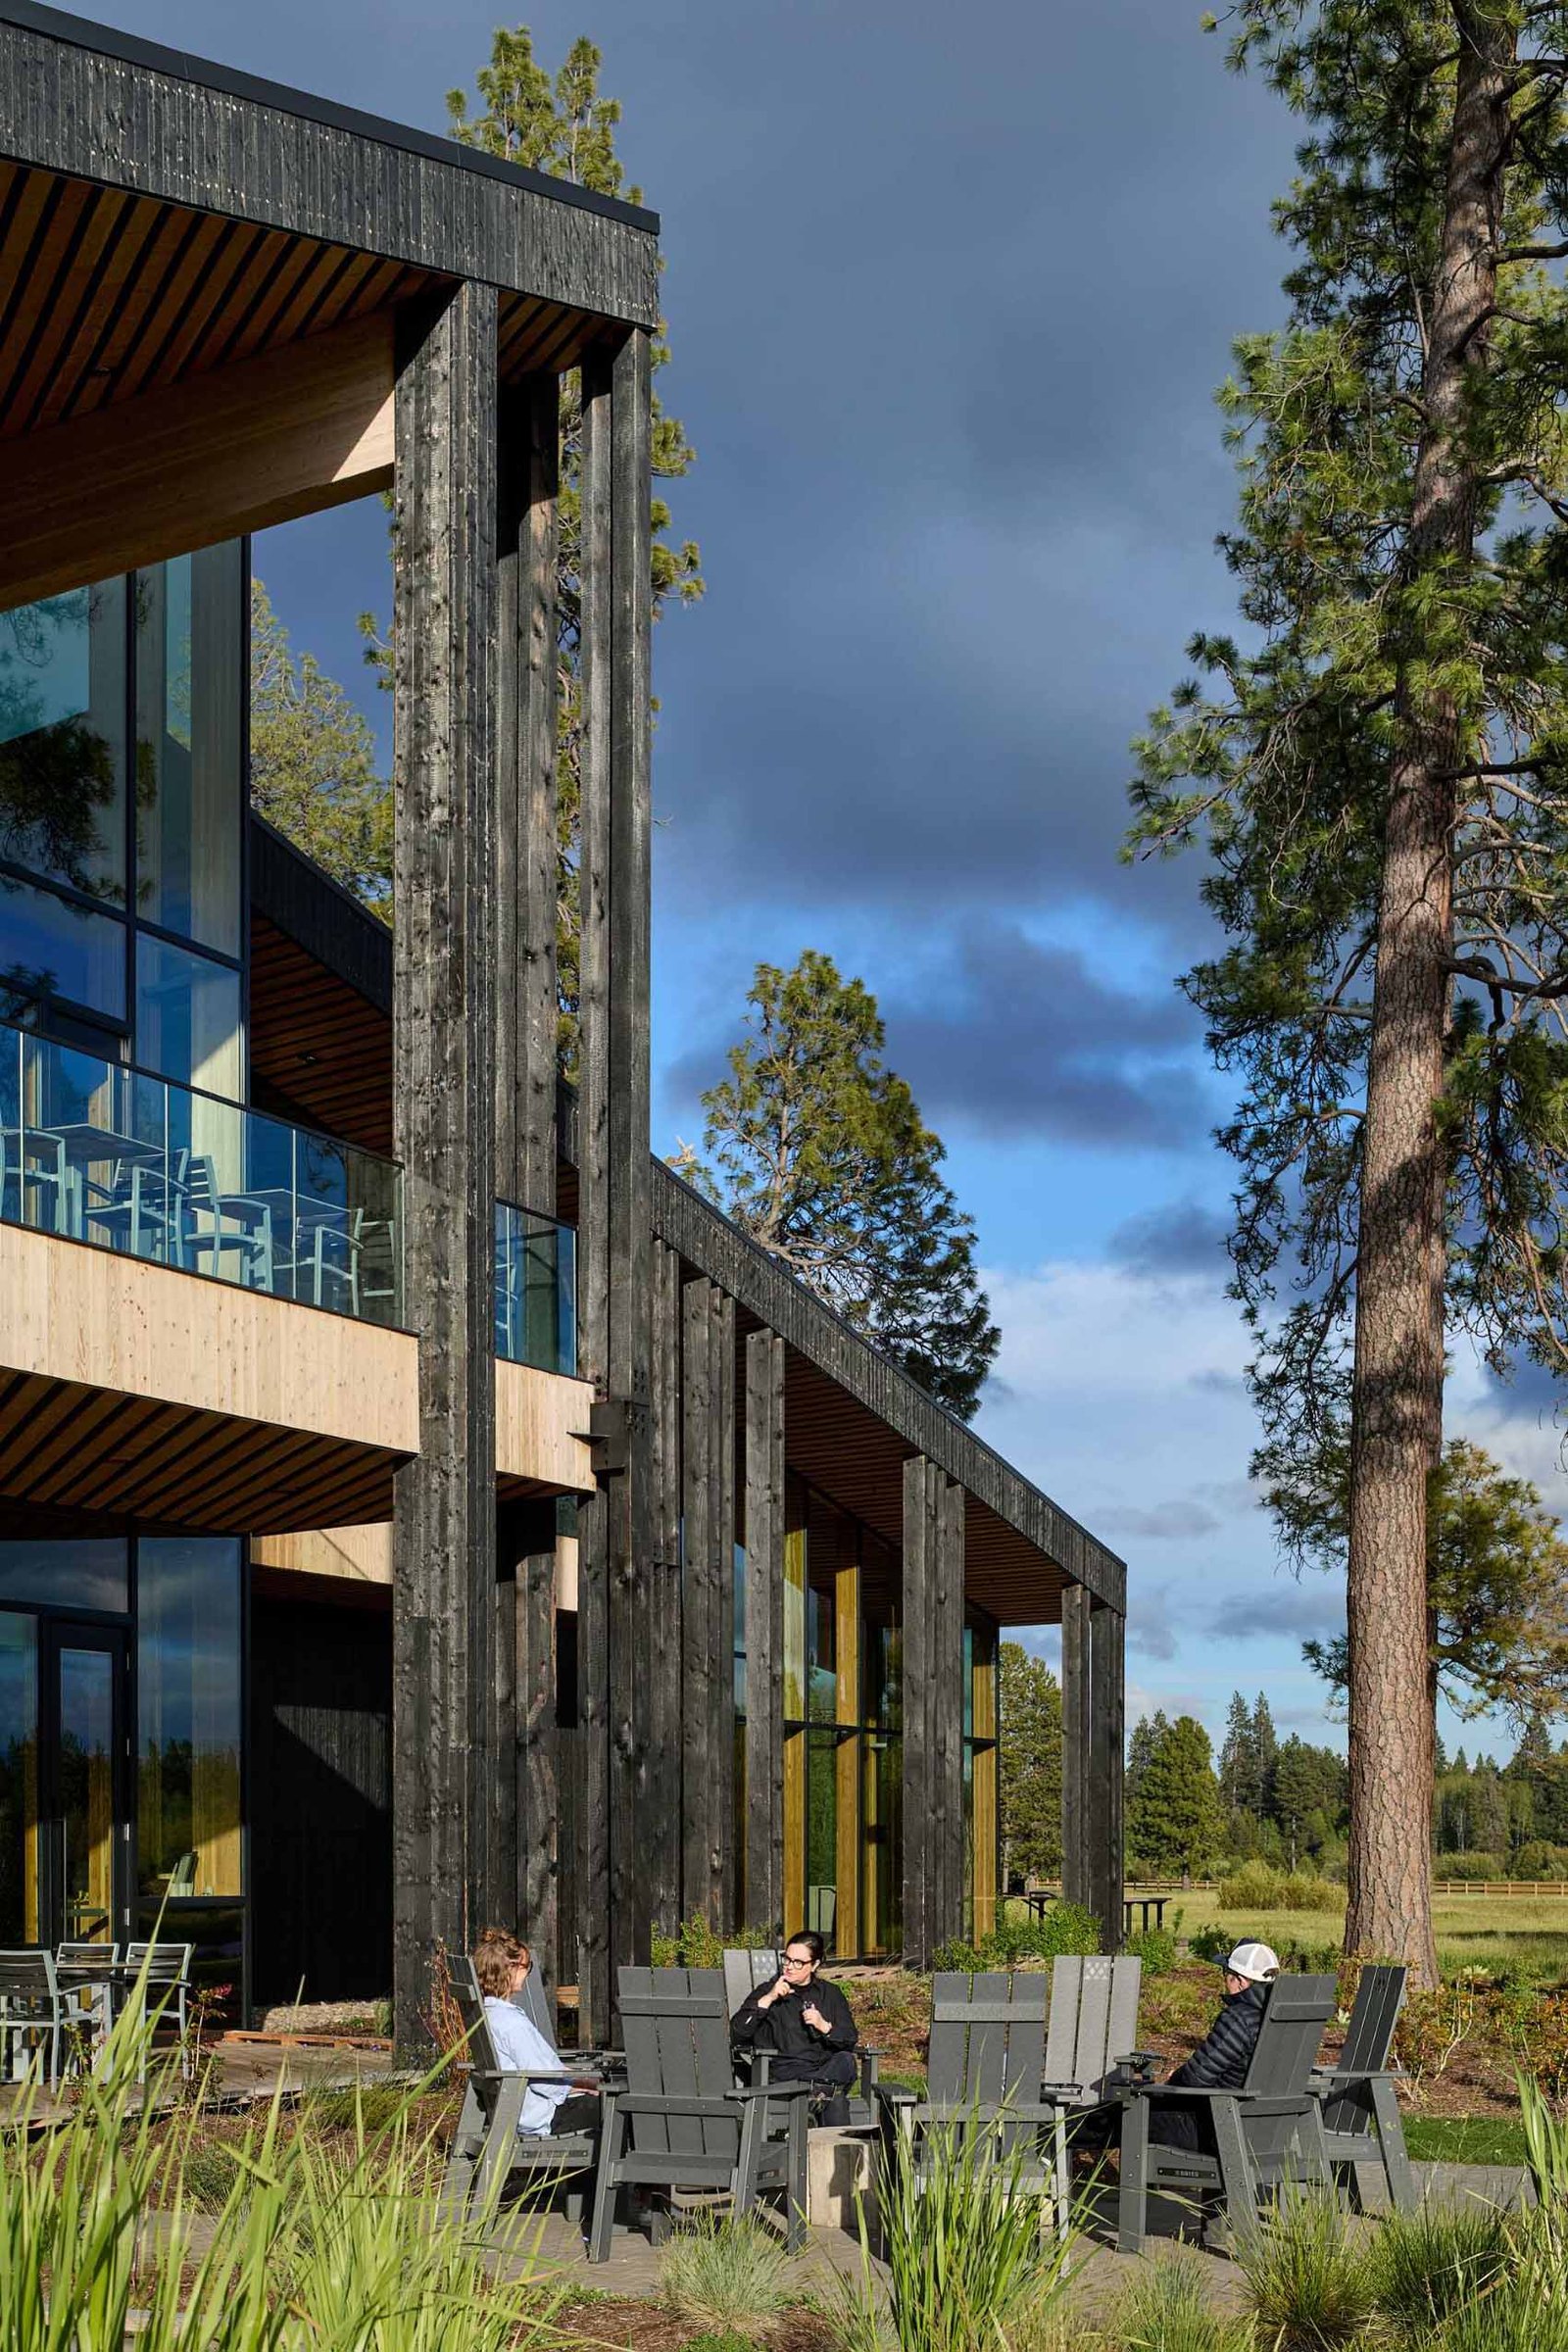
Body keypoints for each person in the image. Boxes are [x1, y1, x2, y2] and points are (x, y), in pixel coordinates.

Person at [1143, 1939, 1281, 2152]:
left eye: (1226, 1974)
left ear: (1241, 1981)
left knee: (1127, 2116)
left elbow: (1194, 2079)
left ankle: (1072, 2134)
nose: (1225, 1981)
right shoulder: (1282, 2019)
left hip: (1220, 2130)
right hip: (1268, 2132)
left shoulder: (1238, 2019)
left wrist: (1168, 2083)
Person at [472, 1927, 600, 2140]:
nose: (528, 1972)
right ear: (510, 1969)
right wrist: (587, 2083)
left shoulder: (489, 2015)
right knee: (621, 2107)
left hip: (519, 2110)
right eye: (526, 1966)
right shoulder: (511, 2023)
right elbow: (544, 2080)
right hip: (544, 2117)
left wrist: (579, 2081)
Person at [729, 1930, 859, 2123]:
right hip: (785, 2077)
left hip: (822, 2070)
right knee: (836, 2099)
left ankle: (815, 2096)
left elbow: (849, 2038)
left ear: (814, 1964)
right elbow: (738, 2032)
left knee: (846, 2061)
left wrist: (824, 2026)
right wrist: (770, 1998)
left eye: (798, 1963)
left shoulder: (830, 1994)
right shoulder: (767, 1991)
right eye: (787, 1960)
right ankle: (820, 2104)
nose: (789, 1967)